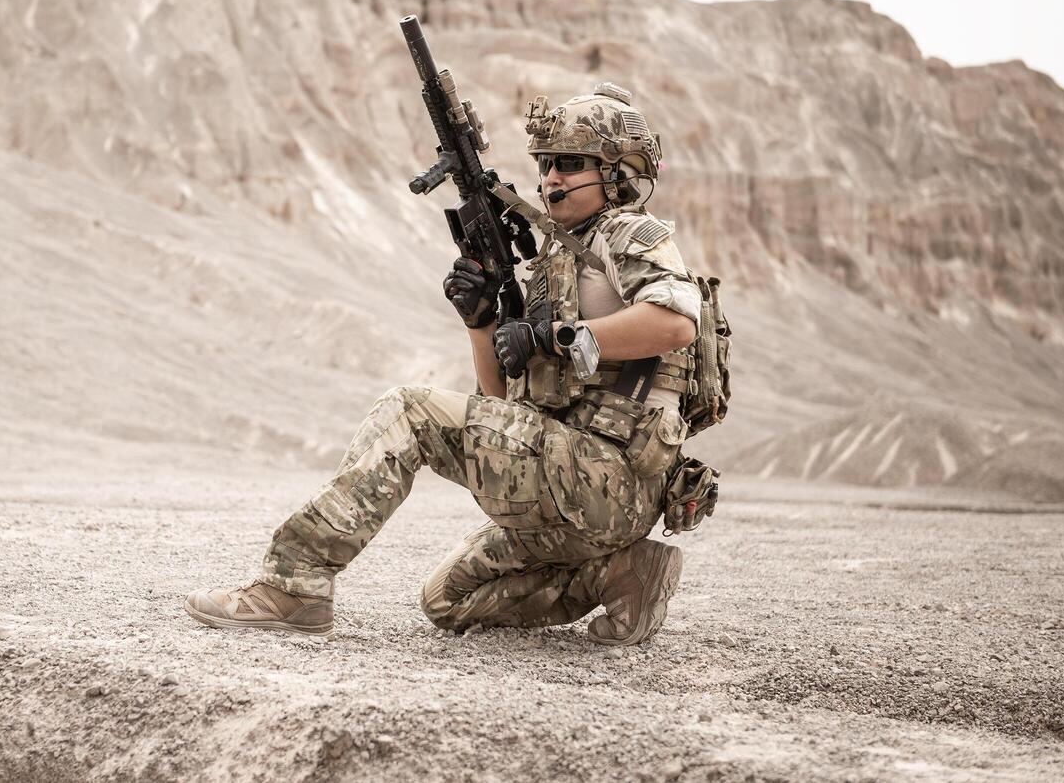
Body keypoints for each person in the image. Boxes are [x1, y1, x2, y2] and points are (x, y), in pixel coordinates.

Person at [186, 83, 701, 645]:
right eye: (547, 164)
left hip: (610, 480)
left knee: (409, 411)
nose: (551, 178)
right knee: (448, 602)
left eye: (571, 164)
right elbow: (501, 407)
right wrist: (481, 324)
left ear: (620, 172)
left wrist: (554, 334)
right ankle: (624, 575)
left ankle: (295, 585)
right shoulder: (557, 259)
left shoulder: (628, 232)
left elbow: (675, 321)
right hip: (570, 484)